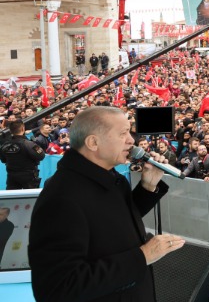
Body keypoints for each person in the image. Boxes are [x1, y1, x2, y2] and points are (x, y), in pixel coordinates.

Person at [28, 106, 185, 301]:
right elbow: (58, 288)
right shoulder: (62, 199)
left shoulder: (106, 177)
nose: (131, 140)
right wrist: (143, 256)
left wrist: (147, 187)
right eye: (123, 133)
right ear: (93, 142)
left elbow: (108, 222)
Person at [0, 119, 45, 189]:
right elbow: (41, 156)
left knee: (12, 198)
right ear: (23, 128)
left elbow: (3, 160)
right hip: (29, 177)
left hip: (12, 176)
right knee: (30, 198)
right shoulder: (28, 144)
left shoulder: (5, 145)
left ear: (10, 130)